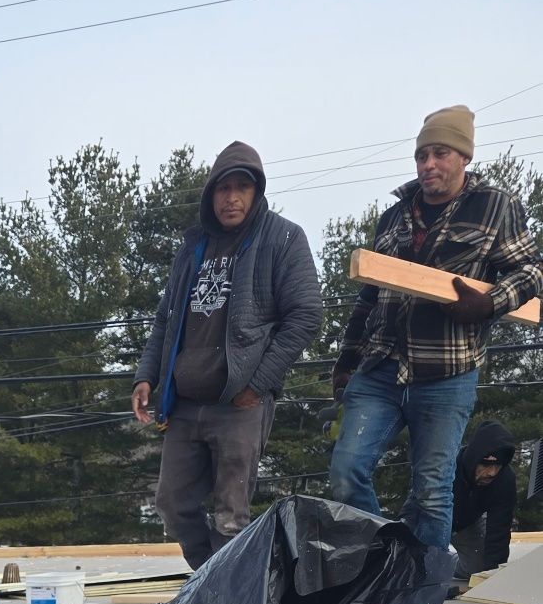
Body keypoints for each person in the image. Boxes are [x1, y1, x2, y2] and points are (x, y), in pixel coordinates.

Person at [329, 106, 543, 552]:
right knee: (347, 471)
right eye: (422, 155)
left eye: (440, 153)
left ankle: (421, 589)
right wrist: (347, 360)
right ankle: (387, 562)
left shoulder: (496, 207)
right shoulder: (393, 216)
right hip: (381, 367)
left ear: (463, 156)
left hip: (447, 371)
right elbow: (369, 295)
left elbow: (532, 272)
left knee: (431, 489)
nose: (429, 164)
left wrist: (489, 303)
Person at [133, 141, 321, 569]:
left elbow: (306, 316)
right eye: (223, 188)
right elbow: (166, 317)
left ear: (256, 193)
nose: (231, 197)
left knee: (230, 515)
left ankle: (223, 602)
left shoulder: (282, 237)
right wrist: (146, 376)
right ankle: (211, 583)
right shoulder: (195, 244)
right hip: (184, 401)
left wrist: (259, 384)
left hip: (238, 401)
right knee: (172, 504)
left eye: (242, 187)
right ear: (210, 194)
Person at [449, 419, 515, 584]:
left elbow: (499, 529)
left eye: (498, 466)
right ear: (473, 458)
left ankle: (451, 563)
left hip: (468, 523)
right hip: (435, 516)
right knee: (419, 567)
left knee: (478, 571)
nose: (492, 472)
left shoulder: (505, 479)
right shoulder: (448, 465)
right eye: (486, 465)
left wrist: (493, 577)